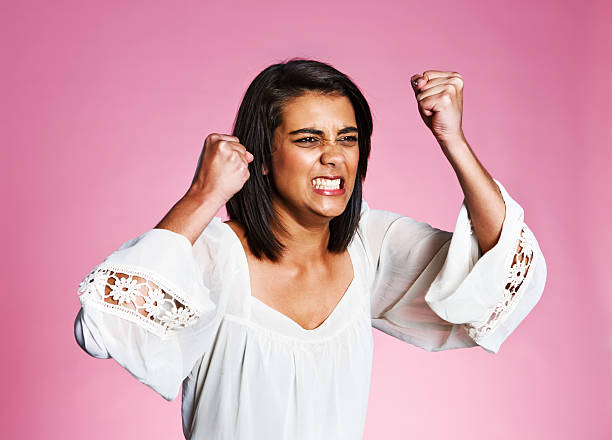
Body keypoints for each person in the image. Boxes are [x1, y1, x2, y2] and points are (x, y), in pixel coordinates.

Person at [74, 58, 547, 439]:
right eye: (308, 139)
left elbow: (499, 268)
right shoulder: (213, 256)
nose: (333, 156)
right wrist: (202, 197)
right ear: (260, 157)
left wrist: (453, 139)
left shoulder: (370, 246)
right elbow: (103, 328)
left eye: (347, 138)